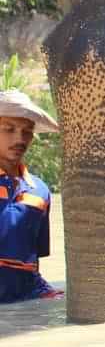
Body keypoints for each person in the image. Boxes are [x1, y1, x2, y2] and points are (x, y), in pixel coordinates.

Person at [0, 89, 62, 304]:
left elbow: (32, 263)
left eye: (27, 132)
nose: (20, 138)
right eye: (9, 129)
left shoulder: (40, 190)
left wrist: (50, 297)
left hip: (27, 294)